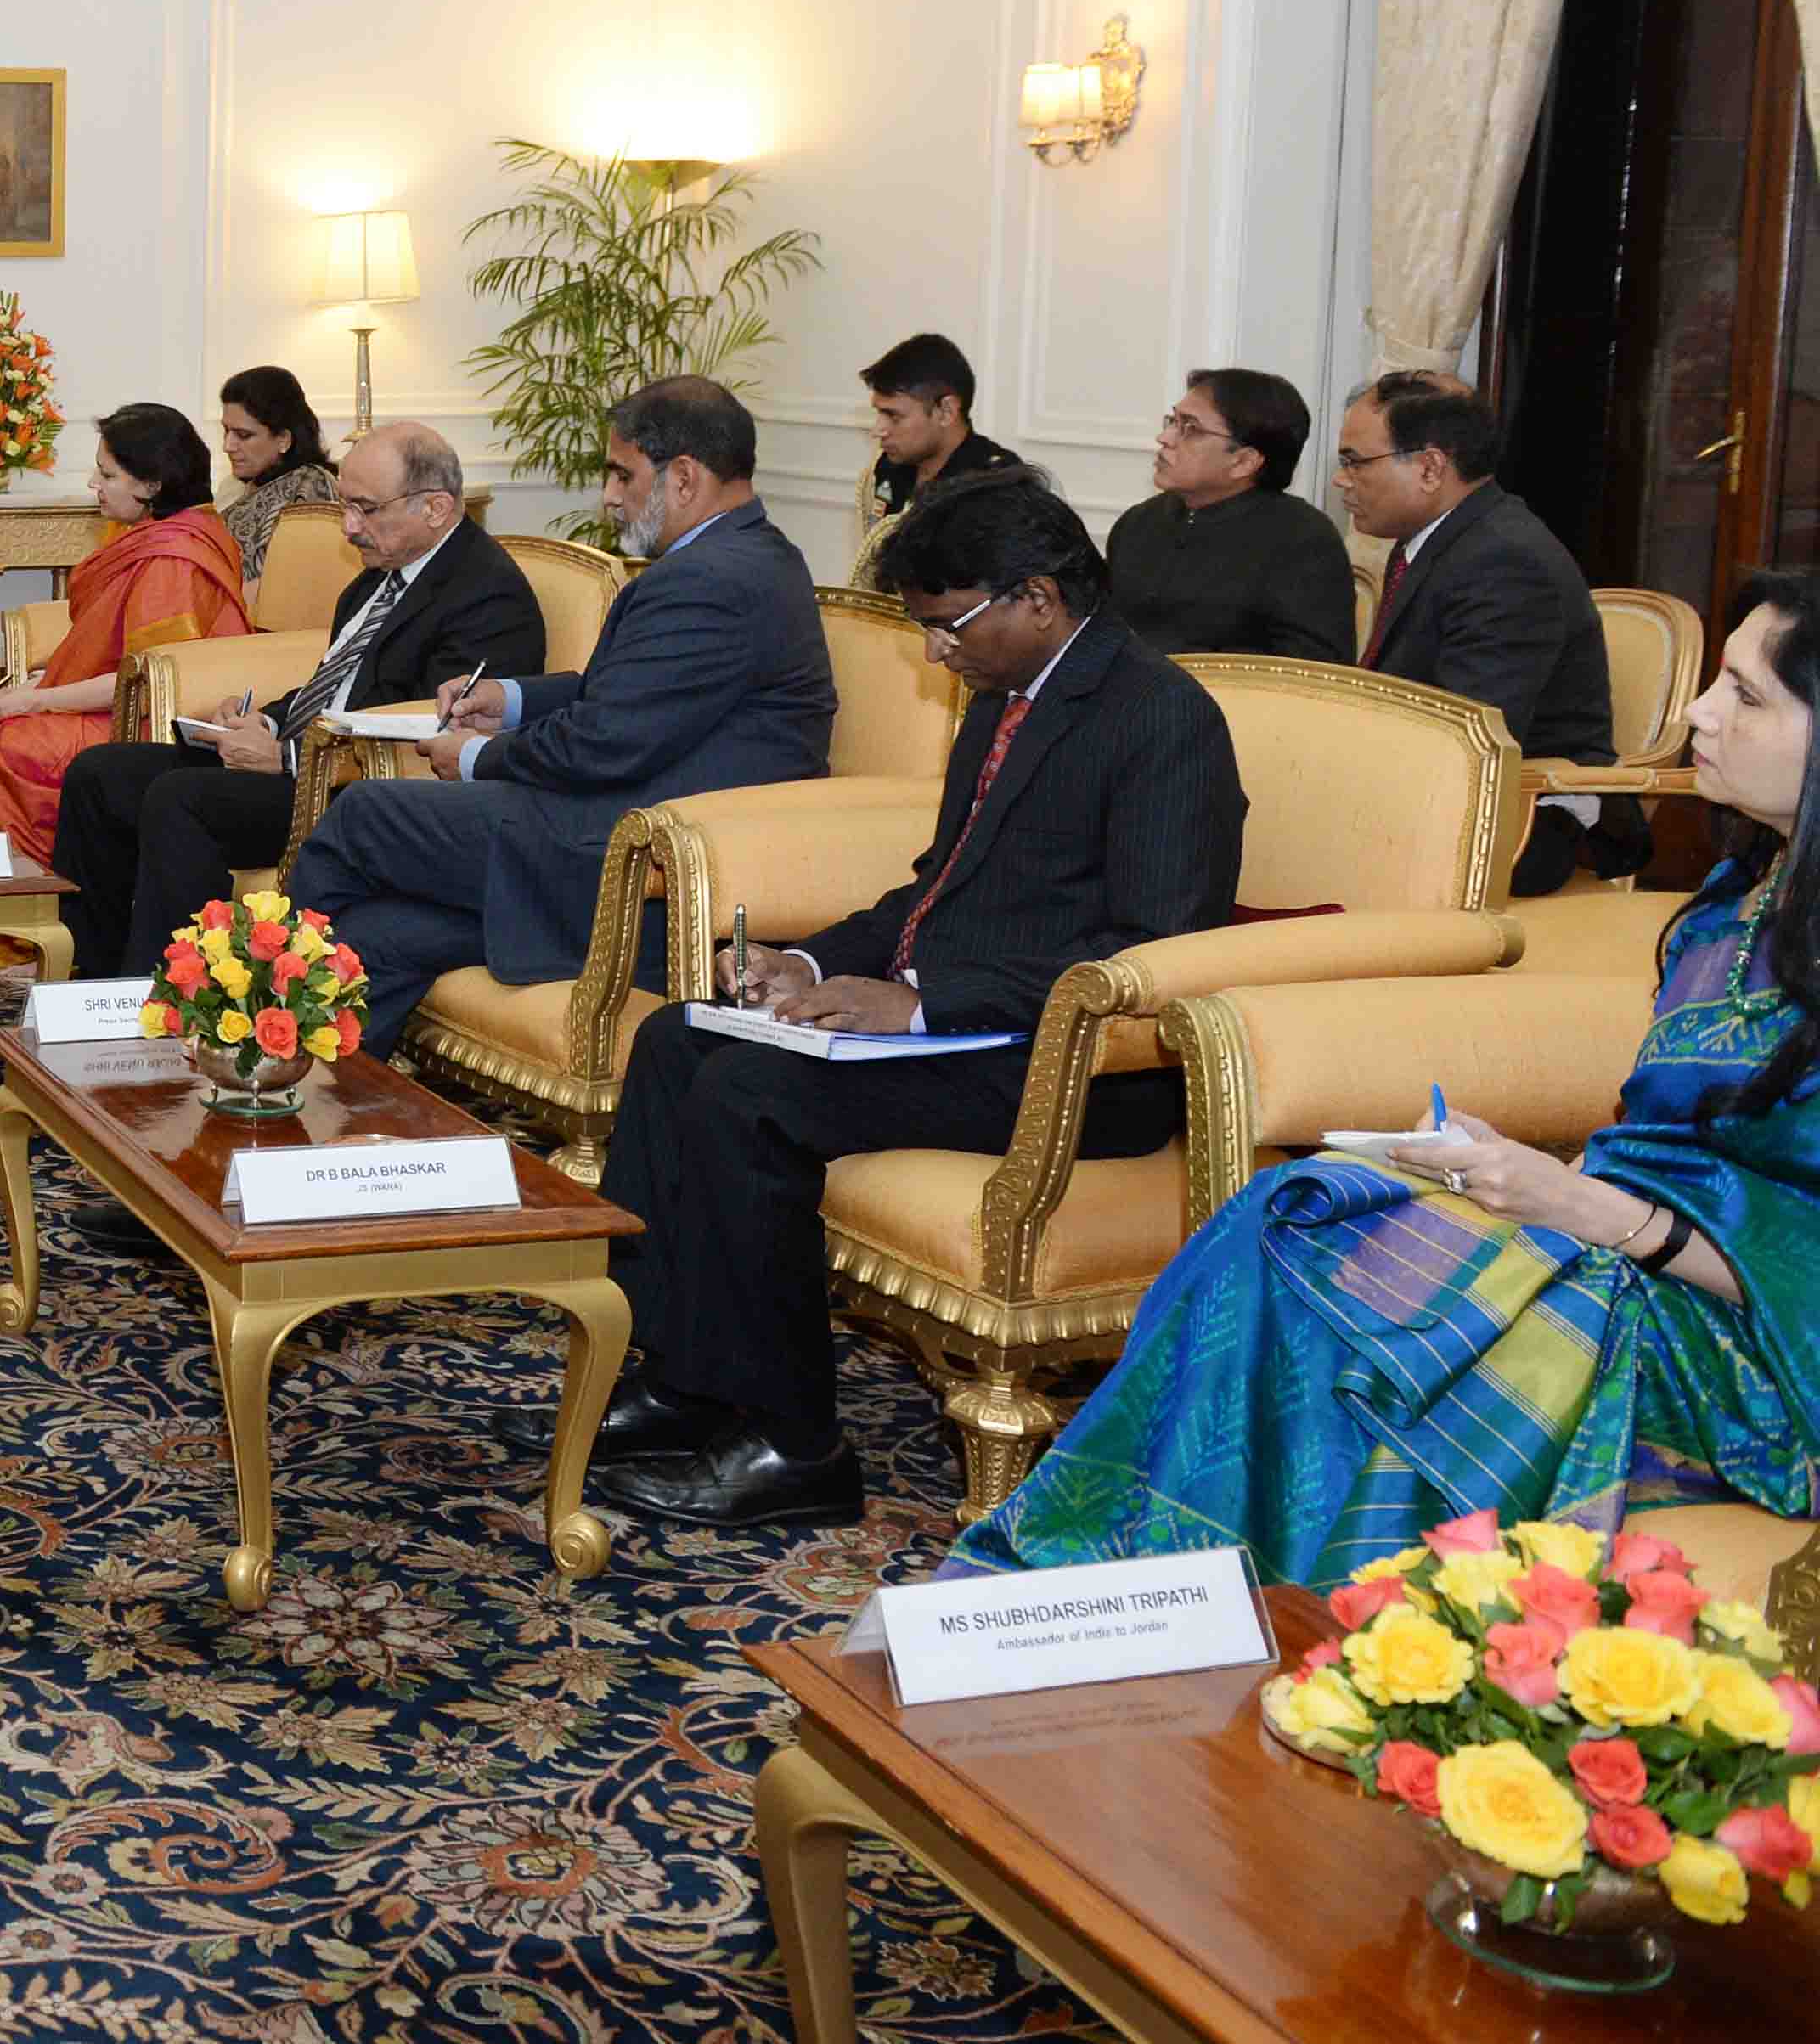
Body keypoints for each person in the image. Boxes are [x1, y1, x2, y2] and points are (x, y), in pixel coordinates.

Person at [950, 566, 1820, 1586]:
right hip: (1627, 1241)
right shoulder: (1737, 901)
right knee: (1294, 1212)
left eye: (1747, 695)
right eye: (1713, 679)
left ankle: (1319, 1618)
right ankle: (1137, 1578)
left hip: (1743, 1347)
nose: (1700, 715)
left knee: (1426, 1324)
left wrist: (1597, 1213)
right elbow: (1666, 1135)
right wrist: (1530, 1170)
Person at [586, 474, 1246, 1531]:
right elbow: (935, 884)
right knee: (674, 1039)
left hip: (1076, 1060)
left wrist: (919, 1002)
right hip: (966, 1027)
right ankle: (683, 1377)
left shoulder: (1158, 718)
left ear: (1035, 596)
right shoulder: (1002, 701)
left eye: (947, 624)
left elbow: (1149, 949)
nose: (935, 652)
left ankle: (790, 1441)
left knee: (752, 1092)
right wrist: (806, 965)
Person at [286, 376, 835, 1052]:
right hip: (627, 836)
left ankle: (253, 1033)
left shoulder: (711, 578)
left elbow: (607, 743)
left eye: (620, 473)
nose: (608, 496)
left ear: (685, 477)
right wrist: (512, 698)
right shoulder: (745, 557)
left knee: (366, 815)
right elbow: (628, 694)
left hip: (640, 860)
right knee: (377, 936)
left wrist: (477, 757)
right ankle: (319, 1103)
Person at [49, 421, 543, 981]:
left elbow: (433, 727)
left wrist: (287, 758)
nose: (350, 528)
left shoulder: (486, 595)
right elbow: (335, 685)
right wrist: (262, 717)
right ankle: (92, 981)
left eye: (366, 509)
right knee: (100, 774)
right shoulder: (379, 576)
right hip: (304, 757)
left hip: (361, 790)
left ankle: (166, 1001)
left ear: (434, 507)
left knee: (181, 797)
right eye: (345, 507)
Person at [1338, 369, 1647, 895]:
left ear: (1431, 468)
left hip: (1517, 821)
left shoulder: (1504, 560)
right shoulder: (1440, 538)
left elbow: (1467, 733)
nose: (1342, 480)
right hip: (1435, 795)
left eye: (1354, 462)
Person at [0, 403, 254, 884]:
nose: (93, 483)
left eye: (107, 474)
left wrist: (40, 700)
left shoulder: (174, 557)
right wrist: (48, 681)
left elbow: (148, 683)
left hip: (147, 724)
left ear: (151, 486)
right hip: (118, 703)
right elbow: (111, 651)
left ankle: (27, 922)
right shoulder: (156, 533)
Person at [1102, 366, 1356, 661]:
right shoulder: (1139, 522)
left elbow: (1315, 673)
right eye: (1173, 421)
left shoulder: (1304, 540)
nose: (1165, 437)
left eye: (1190, 428)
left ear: (1244, 462)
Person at [850, 333, 1023, 583]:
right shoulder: (887, 467)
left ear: (946, 411)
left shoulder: (997, 484)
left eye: (894, 416)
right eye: (879, 413)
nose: (878, 430)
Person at [212, 366, 341, 586]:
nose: (228, 446)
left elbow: (298, 585)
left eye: (243, 435)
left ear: (283, 439)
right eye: (226, 431)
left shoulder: (311, 487)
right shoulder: (232, 487)